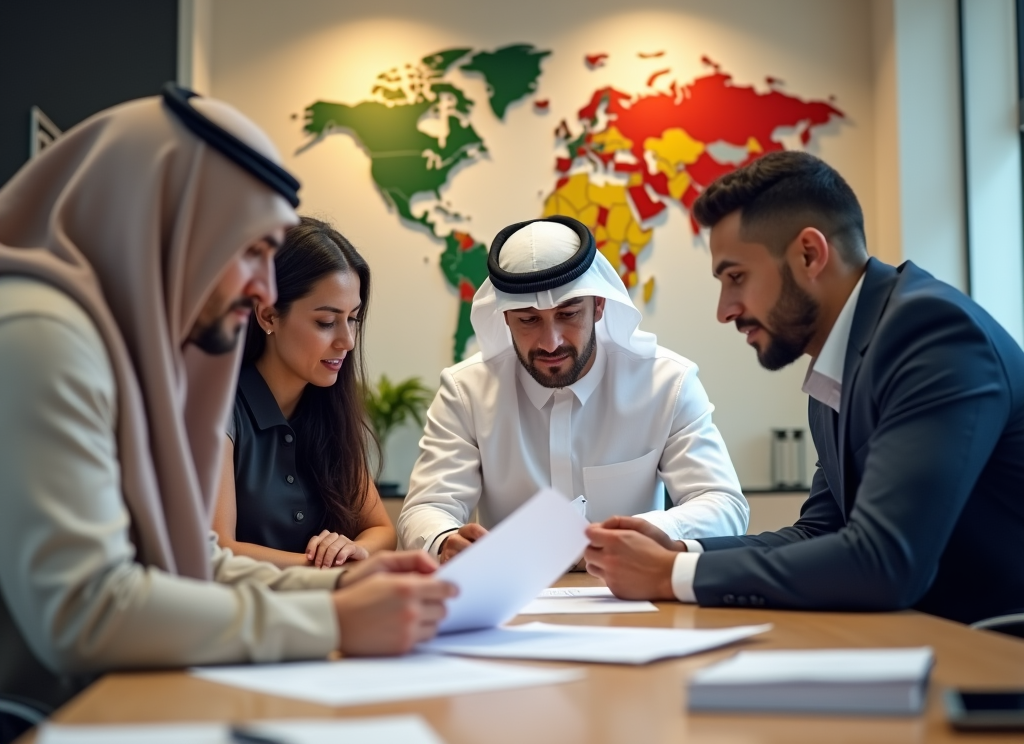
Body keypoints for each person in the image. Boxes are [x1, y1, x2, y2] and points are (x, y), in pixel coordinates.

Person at [0, 85, 454, 715]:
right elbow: (88, 610)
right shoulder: (41, 333)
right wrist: (333, 621)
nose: (263, 290)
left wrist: (343, 585)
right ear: (172, 227)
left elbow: (193, 562)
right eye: (250, 252)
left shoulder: (121, 343)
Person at [584, 150, 1024, 625]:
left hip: (993, 654)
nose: (725, 309)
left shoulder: (930, 333)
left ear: (809, 254)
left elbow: (885, 561)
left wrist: (672, 575)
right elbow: (819, 532)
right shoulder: (838, 359)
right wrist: (680, 549)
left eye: (736, 277)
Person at [398, 215, 748, 562]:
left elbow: (723, 505)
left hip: (631, 598)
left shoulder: (667, 383)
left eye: (568, 314)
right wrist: (445, 542)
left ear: (598, 305)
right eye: (528, 320)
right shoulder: (466, 392)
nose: (550, 343)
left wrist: (647, 531)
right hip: (511, 603)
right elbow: (427, 508)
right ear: (504, 317)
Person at [213, 218, 396, 570]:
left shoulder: (328, 404)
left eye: (353, 318)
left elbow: (381, 530)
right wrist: (323, 570)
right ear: (268, 316)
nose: (347, 341)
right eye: (326, 322)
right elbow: (219, 549)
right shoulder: (219, 408)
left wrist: (350, 551)